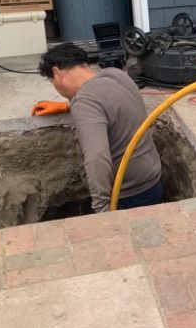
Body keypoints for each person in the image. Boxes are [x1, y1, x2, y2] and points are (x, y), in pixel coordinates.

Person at [33, 43, 163, 213]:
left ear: (57, 73)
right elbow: (106, 102)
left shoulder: (85, 103)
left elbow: (97, 157)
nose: (56, 89)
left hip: (127, 196)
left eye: (53, 83)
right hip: (153, 183)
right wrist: (67, 106)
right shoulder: (116, 75)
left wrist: (102, 209)